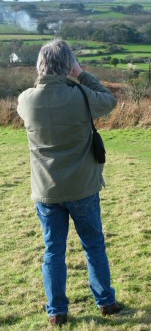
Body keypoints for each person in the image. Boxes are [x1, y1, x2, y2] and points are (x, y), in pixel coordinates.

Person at [17, 39, 121, 326]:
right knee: (94, 245)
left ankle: (57, 311)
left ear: (40, 65)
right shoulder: (82, 96)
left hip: (46, 190)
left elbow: (30, 103)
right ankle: (106, 302)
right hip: (83, 186)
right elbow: (109, 100)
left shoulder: (26, 100)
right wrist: (81, 74)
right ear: (68, 65)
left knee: (53, 250)